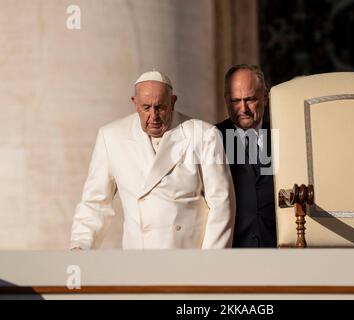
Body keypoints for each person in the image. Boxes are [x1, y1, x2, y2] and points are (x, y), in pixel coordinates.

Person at [71, 70, 235, 249]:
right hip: (140, 261)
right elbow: (95, 202)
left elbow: (221, 203)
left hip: (189, 259)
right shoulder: (111, 137)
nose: (154, 116)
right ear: (134, 103)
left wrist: (212, 262)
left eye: (160, 107)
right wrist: (81, 244)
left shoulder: (204, 135)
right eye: (146, 107)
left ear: (172, 102)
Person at [216, 64, 277, 248]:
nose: (243, 108)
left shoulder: (282, 134)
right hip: (231, 255)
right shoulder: (212, 138)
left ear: (265, 96)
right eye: (236, 101)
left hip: (279, 254)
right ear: (226, 99)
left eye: (250, 99)